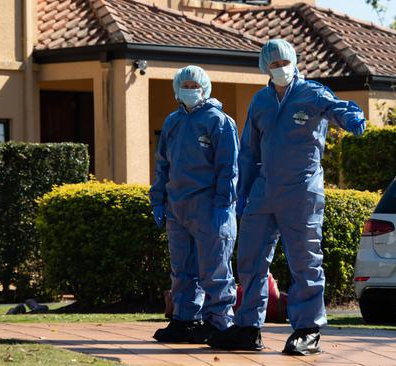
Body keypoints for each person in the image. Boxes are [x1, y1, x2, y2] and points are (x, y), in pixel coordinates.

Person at [207, 39, 366, 355]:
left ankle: (308, 330)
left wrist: (351, 117)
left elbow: (336, 108)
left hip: (301, 190)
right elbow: (249, 152)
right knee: (250, 259)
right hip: (263, 191)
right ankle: (248, 328)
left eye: (284, 62)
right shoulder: (261, 101)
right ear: (265, 68)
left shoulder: (313, 94)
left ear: (294, 61)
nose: (280, 68)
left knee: (304, 261)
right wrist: (241, 196)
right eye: (273, 63)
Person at [149, 65, 239, 344]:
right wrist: (158, 199)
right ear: (176, 89)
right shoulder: (173, 122)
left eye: (194, 85)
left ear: (205, 87)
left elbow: (229, 167)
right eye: (185, 85)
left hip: (210, 207)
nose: (190, 89)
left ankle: (220, 323)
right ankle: (186, 320)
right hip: (177, 208)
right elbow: (163, 164)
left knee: (215, 269)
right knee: (182, 270)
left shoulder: (219, 122)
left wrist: (224, 204)